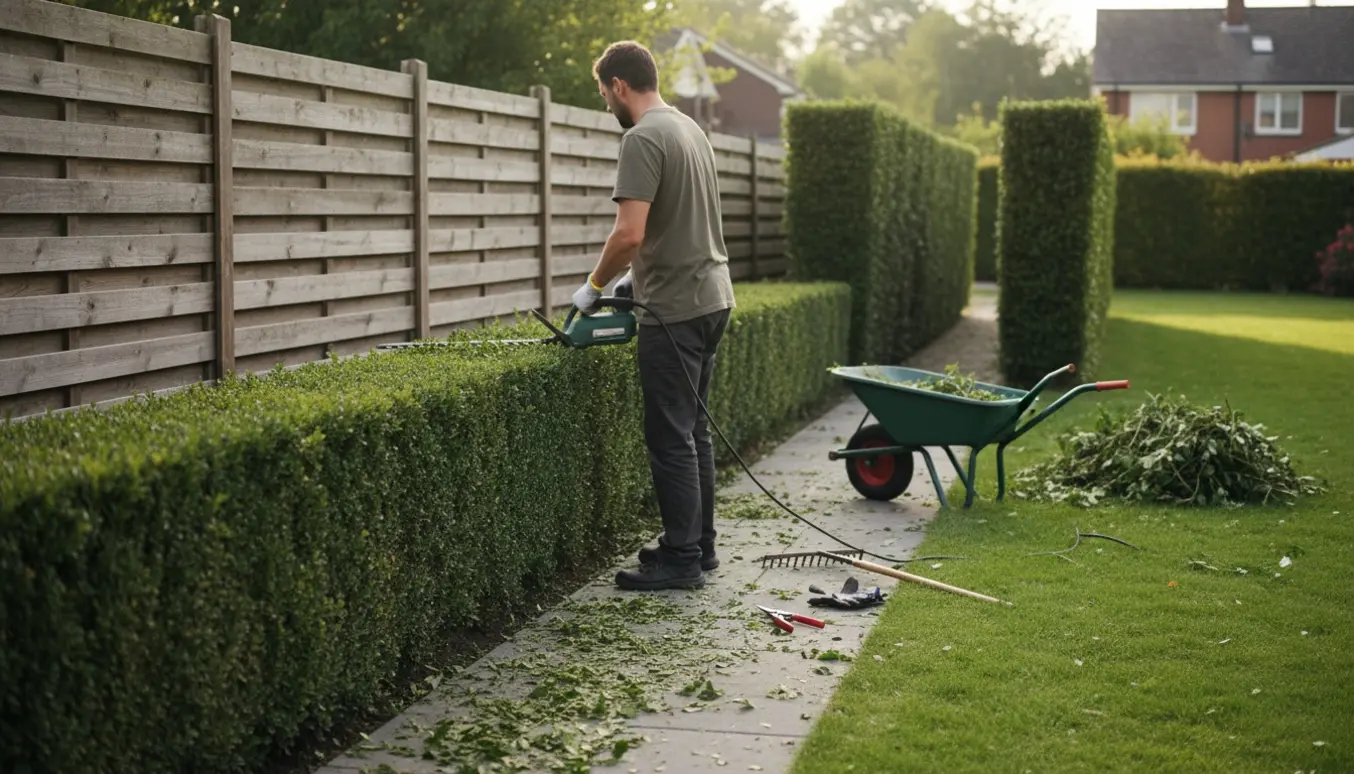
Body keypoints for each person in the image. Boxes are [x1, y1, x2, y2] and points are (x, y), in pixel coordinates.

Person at [571, 40, 736, 592]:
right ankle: (699, 545)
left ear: (619, 85)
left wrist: (594, 287)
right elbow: (677, 224)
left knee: (669, 436)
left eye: (603, 94)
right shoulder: (690, 129)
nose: (605, 105)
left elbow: (630, 233)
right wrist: (630, 280)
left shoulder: (642, 138)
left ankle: (681, 559)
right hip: (713, 297)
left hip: (675, 311)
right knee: (694, 432)